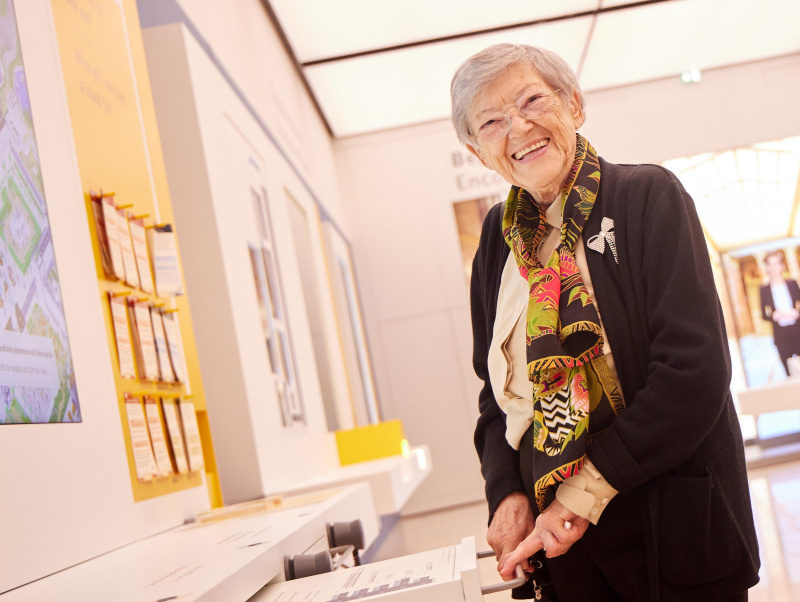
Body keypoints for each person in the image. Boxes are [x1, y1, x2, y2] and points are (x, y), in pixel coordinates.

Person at [453, 44, 760, 601]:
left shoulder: (648, 197)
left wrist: (581, 494)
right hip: (564, 553)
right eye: (492, 122)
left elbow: (694, 375)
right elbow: (494, 398)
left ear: (574, 104)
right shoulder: (497, 241)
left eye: (531, 101)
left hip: (672, 528)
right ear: (478, 152)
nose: (518, 128)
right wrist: (505, 494)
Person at [759, 250, 800, 375]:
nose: (773, 267)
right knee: (789, 373)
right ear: (766, 267)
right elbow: (764, 314)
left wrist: (796, 312)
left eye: (776, 263)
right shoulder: (764, 289)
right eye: (770, 264)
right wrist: (773, 316)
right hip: (781, 336)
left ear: (782, 265)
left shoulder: (792, 284)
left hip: (797, 331)